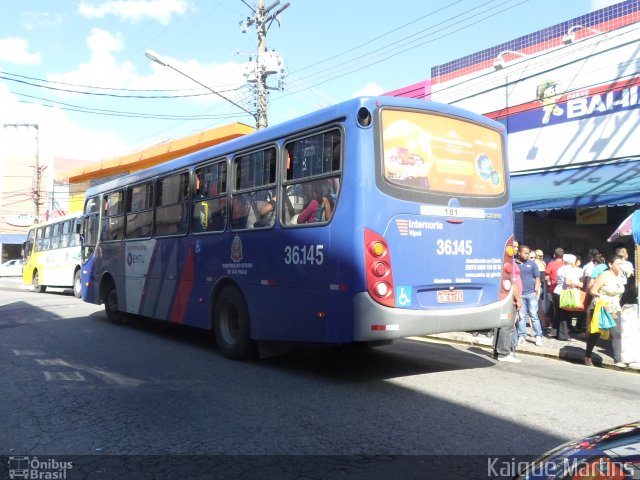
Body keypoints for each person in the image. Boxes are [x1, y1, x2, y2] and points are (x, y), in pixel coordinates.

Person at [585, 255, 626, 367]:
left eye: (621, 264)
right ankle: (588, 356)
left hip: (614, 307)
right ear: (610, 264)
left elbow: (620, 292)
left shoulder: (620, 276)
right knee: (595, 333)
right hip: (601, 307)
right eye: (618, 264)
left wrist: (617, 302)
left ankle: (618, 360)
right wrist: (604, 298)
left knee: (617, 333)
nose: (620, 266)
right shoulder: (604, 275)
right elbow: (592, 290)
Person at [494, 256, 522, 363]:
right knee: (508, 326)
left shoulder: (506, 262)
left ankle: (497, 352)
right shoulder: (509, 264)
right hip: (511, 300)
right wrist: (518, 300)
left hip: (505, 299)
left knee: (501, 325)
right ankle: (503, 353)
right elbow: (513, 284)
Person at [515, 244, 544, 346]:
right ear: (519, 253)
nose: (527, 255)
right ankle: (522, 336)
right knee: (522, 316)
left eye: (528, 253)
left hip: (531, 293)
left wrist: (536, 289)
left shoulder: (532, 264)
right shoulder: (515, 263)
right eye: (525, 253)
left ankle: (538, 336)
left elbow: (537, 277)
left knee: (533, 315)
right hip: (520, 295)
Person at [554, 253, 584, 340]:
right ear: (572, 262)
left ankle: (556, 332)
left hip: (557, 292)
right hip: (564, 293)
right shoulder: (569, 269)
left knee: (559, 314)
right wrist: (579, 284)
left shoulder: (561, 268)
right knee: (565, 314)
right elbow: (567, 282)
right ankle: (563, 335)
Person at [545, 248, 565, 337]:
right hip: (565, 291)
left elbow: (546, 278)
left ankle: (554, 331)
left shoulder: (551, 264)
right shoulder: (566, 264)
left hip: (553, 290)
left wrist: (548, 286)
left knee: (555, 311)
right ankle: (562, 331)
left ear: (554, 255)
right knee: (562, 311)